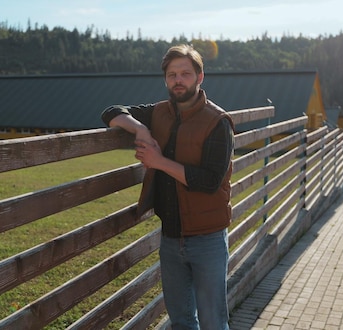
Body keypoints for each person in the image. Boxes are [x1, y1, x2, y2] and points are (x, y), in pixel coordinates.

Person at [101, 44, 235, 330]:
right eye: (172, 74)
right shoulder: (159, 112)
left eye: (185, 73)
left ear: (200, 78)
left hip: (208, 239)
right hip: (171, 238)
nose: (178, 80)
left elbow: (209, 181)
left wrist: (158, 161)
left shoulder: (218, 122)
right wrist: (139, 128)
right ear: (165, 79)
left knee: (213, 321)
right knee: (182, 321)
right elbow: (111, 112)